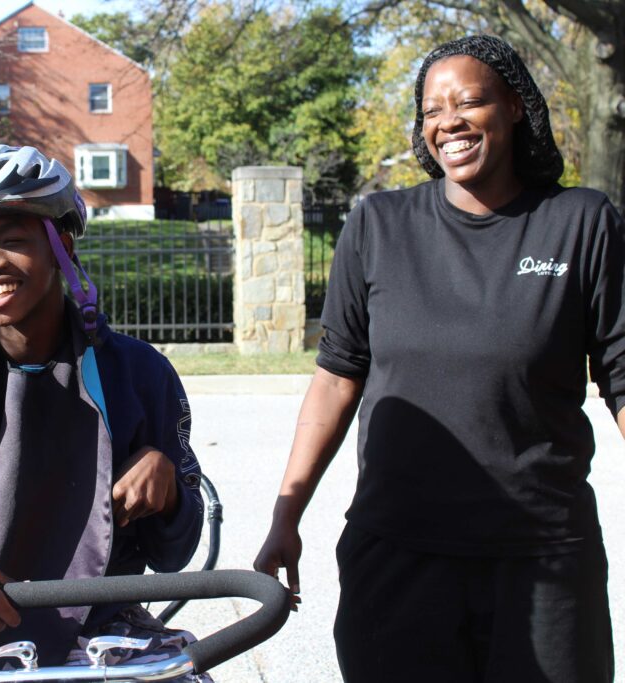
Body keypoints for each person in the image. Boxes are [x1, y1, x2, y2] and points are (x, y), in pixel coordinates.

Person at [254, 34, 624, 683]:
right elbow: (337, 378)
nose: (447, 120)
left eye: (468, 101)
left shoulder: (581, 222)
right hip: (398, 558)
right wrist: (287, 516)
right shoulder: (377, 225)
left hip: (543, 560)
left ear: (514, 106)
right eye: (431, 109)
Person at [0, 144, 208, 677]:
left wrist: (168, 490)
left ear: (62, 246)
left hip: (113, 644)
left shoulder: (139, 374)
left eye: (12, 241)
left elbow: (175, 553)